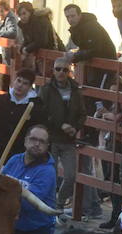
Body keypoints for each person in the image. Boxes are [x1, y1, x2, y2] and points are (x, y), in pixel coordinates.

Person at [36, 56, 89, 212]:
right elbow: (41, 113)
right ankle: (48, 205)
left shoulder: (76, 90)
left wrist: (75, 127)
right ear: (53, 70)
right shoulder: (46, 90)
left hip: (68, 140)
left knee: (71, 176)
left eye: (65, 70)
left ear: (69, 72)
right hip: (51, 139)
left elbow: (82, 114)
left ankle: (58, 205)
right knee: (49, 175)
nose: (61, 72)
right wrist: (60, 125)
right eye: (58, 69)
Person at [0, 67, 40, 163]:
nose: (20, 85)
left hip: (21, 158)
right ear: (14, 81)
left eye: (25, 83)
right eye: (19, 81)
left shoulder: (36, 107)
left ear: (30, 87)